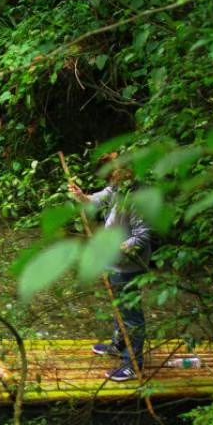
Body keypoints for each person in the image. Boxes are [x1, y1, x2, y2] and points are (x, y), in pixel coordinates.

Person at [69, 154, 153, 382]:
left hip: (129, 266)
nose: (110, 178)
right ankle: (118, 345)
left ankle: (133, 364)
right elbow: (97, 199)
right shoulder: (117, 190)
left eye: (114, 173)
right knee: (119, 307)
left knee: (131, 315)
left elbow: (142, 235)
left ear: (126, 172)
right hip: (114, 263)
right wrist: (81, 196)